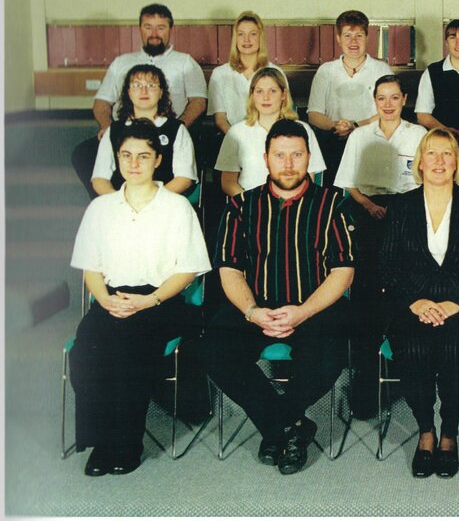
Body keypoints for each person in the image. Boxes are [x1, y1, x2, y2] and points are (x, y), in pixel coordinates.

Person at [198, 119, 354, 475]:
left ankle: (275, 427)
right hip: (256, 305)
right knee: (213, 349)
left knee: (331, 350)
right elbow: (229, 269)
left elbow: (344, 271)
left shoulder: (334, 203)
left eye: (296, 155)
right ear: (265, 159)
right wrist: (252, 311)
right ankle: (289, 426)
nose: (288, 163)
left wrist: (303, 312)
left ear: (309, 157)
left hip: (314, 305)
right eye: (279, 155)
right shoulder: (240, 205)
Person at [69, 118, 210, 476]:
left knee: (127, 348)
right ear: (117, 158)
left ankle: (127, 442)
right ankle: (101, 442)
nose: (134, 163)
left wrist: (151, 300)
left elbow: (188, 270)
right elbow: (90, 267)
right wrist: (105, 300)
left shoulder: (177, 207)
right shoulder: (100, 208)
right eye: (126, 155)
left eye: (143, 156)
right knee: (86, 351)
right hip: (111, 299)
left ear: (157, 160)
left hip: (161, 301)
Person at [378, 129, 459, 478]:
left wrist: (454, 302)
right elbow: (387, 265)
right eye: (432, 153)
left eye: (447, 154)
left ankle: (449, 431)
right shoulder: (400, 207)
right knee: (414, 348)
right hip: (411, 305)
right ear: (420, 162)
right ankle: (425, 430)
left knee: (454, 348)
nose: (439, 161)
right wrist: (416, 302)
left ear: (457, 163)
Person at [334, 74, 427, 417]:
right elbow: (348, 184)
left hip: (408, 212)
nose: (387, 104)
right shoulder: (360, 136)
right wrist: (370, 206)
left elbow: (427, 181)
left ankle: (404, 372)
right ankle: (365, 382)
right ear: (374, 102)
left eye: (394, 97)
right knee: (367, 295)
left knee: (403, 289)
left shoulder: (419, 135)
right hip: (368, 210)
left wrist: (402, 211)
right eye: (381, 98)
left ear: (405, 100)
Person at [72, 3, 207, 198]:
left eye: (160, 27)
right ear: (140, 29)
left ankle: (152, 201)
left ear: (171, 29)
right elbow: (101, 103)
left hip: (164, 133)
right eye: (148, 27)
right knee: (83, 153)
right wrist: (110, 129)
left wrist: (176, 128)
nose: (154, 34)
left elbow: (198, 102)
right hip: (124, 131)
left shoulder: (185, 63)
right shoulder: (121, 62)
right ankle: (113, 201)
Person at [307, 10, 393, 186]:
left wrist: (356, 126)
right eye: (347, 36)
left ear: (367, 37)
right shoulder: (326, 71)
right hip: (333, 143)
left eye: (359, 36)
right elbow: (314, 114)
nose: (353, 42)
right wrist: (336, 126)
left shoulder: (382, 70)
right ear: (338, 38)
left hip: (371, 141)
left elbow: (389, 111)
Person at [214, 67, 326, 196]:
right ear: (252, 95)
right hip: (250, 203)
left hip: (292, 203)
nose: (265, 97)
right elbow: (228, 182)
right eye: (259, 91)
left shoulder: (303, 129)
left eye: (272, 91)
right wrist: (251, 203)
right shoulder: (236, 132)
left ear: (283, 94)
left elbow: (309, 178)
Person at [90, 64, 197, 198]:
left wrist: (150, 200)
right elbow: (99, 179)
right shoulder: (114, 130)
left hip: (163, 201)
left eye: (151, 86)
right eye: (137, 85)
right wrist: (120, 201)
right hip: (120, 202)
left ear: (161, 92)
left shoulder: (176, 129)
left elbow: (184, 179)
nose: (144, 91)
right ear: (128, 92)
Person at [208, 11, 287, 134]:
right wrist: (237, 140)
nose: (246, 39)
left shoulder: (276, 72)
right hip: (232, 137)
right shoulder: (219, 74)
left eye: (253, 34)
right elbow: (220, 119)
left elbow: (283, 113)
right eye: (241, 34)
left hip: (269, 136)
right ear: (235, 39)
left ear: (260, 37)